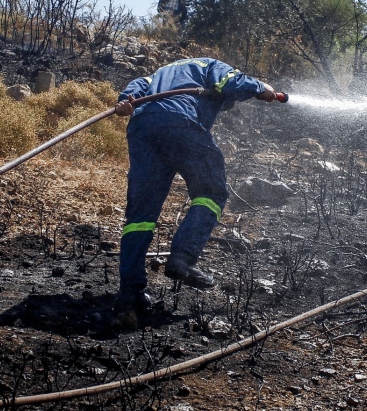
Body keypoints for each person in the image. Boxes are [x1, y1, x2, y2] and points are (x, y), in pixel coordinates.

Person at [112, 57, 278, 323]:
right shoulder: (209, 65)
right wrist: (261, 88)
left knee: (140, 216)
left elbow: (138, 86)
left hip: (142, 127)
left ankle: (129, 295)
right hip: (180, 121)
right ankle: (183, 257)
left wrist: (125, 101)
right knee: (212, 193)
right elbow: (230, 81)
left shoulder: (162, 72)